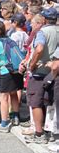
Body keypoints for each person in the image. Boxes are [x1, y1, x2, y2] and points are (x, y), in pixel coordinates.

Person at [24, 9, 58, 144]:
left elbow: (39, 49)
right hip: (54, 72)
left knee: (35, 102)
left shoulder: (42, 32)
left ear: (44, 19)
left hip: (41, 71)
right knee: (50, 103)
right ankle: (50, 131)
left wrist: (32, 64)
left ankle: (39, 133)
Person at [0, 21, 23, 132]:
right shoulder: (10, 40)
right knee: (14, 94)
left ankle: (4, 123)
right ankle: (16, 117)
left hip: (5, 71)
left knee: (3, 97)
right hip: (16, 71)